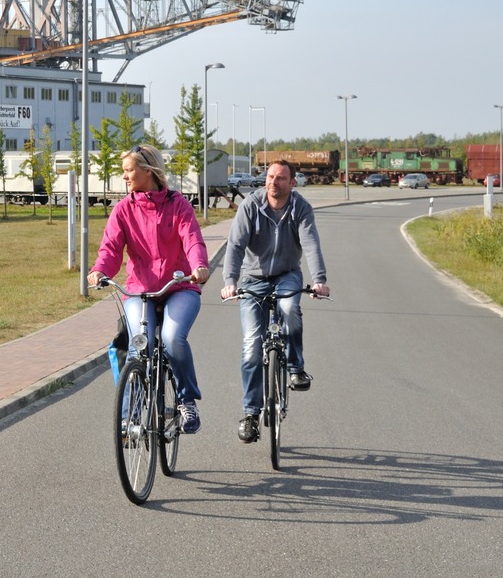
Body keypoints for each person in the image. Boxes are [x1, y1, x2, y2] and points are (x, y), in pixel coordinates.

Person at [88, 144, 212, 434]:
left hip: (179, 286)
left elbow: (192, 239)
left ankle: (186, 402)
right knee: (138, 345)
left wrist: (199, 265)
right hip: (140, 290)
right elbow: (110, 248)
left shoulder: (177, 204)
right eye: (124, 171)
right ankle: (129, 418)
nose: (124, 176)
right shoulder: (123, 209)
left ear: (148, 170)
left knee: (172, 338)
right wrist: (100, 270)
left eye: (129, 170)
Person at [220, 159, 330, 444]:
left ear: (292, 182)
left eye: (281, 178)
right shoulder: (251, 206)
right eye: (270, 177)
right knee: (251, 348)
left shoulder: (300, 207)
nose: (274, 182)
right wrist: (230, 281)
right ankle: (250, 414)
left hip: (286, 275)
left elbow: (310, 243)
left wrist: (319, 279)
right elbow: (235, 245)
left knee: (289, 308)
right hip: (253, 279)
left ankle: (295, 369)